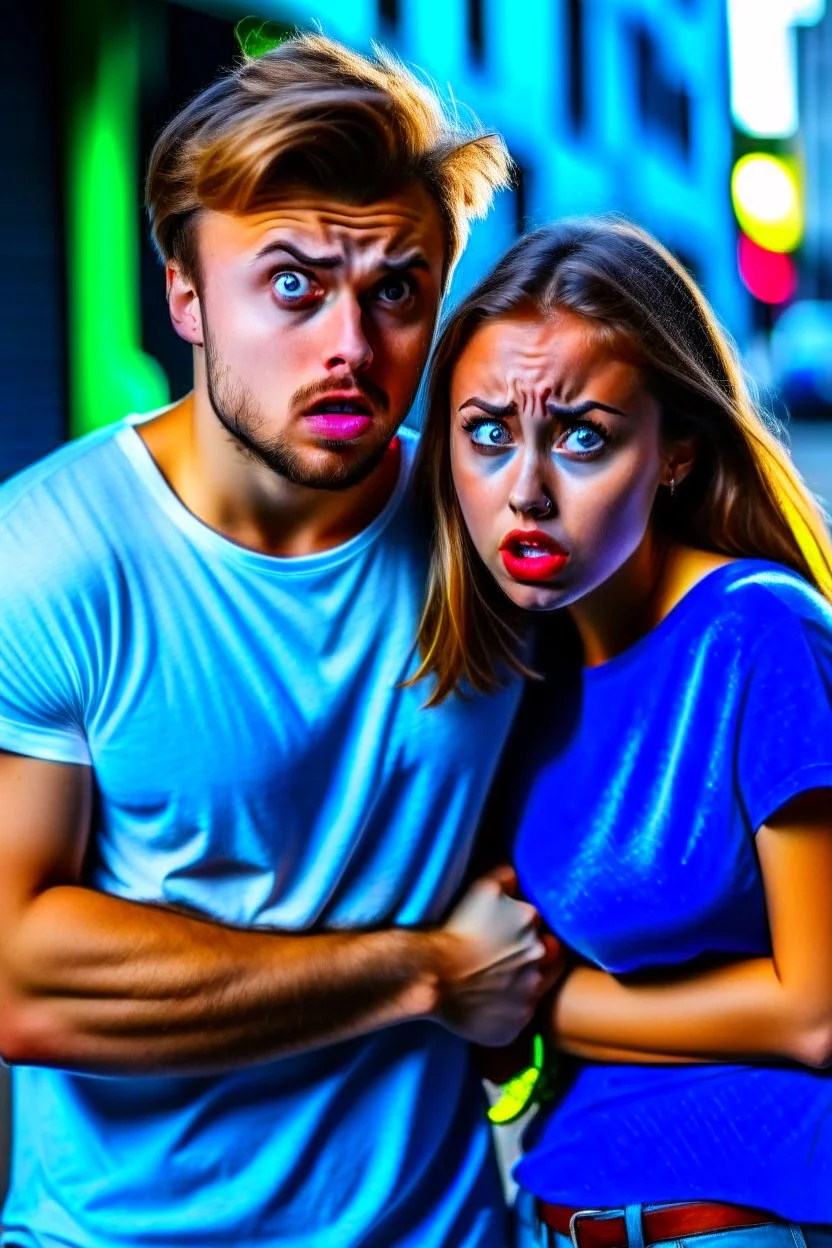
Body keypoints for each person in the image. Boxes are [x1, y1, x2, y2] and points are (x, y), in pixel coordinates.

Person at [0, 35, 553, 1248]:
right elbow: (22, 974)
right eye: (293, 285)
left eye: (396, 290)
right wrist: (421, 970)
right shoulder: (49, 555)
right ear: (185, 295)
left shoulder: (496, 538)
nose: (351, 345)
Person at [412, 217, 832, 1248]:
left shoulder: (757, 633)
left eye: (583, 436)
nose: (525, 492)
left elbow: (814, 1011)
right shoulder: (522, 674)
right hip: (555, 1215)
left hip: (742, 1219)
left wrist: (539, 1002)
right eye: (487, 433)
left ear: (677, 452)